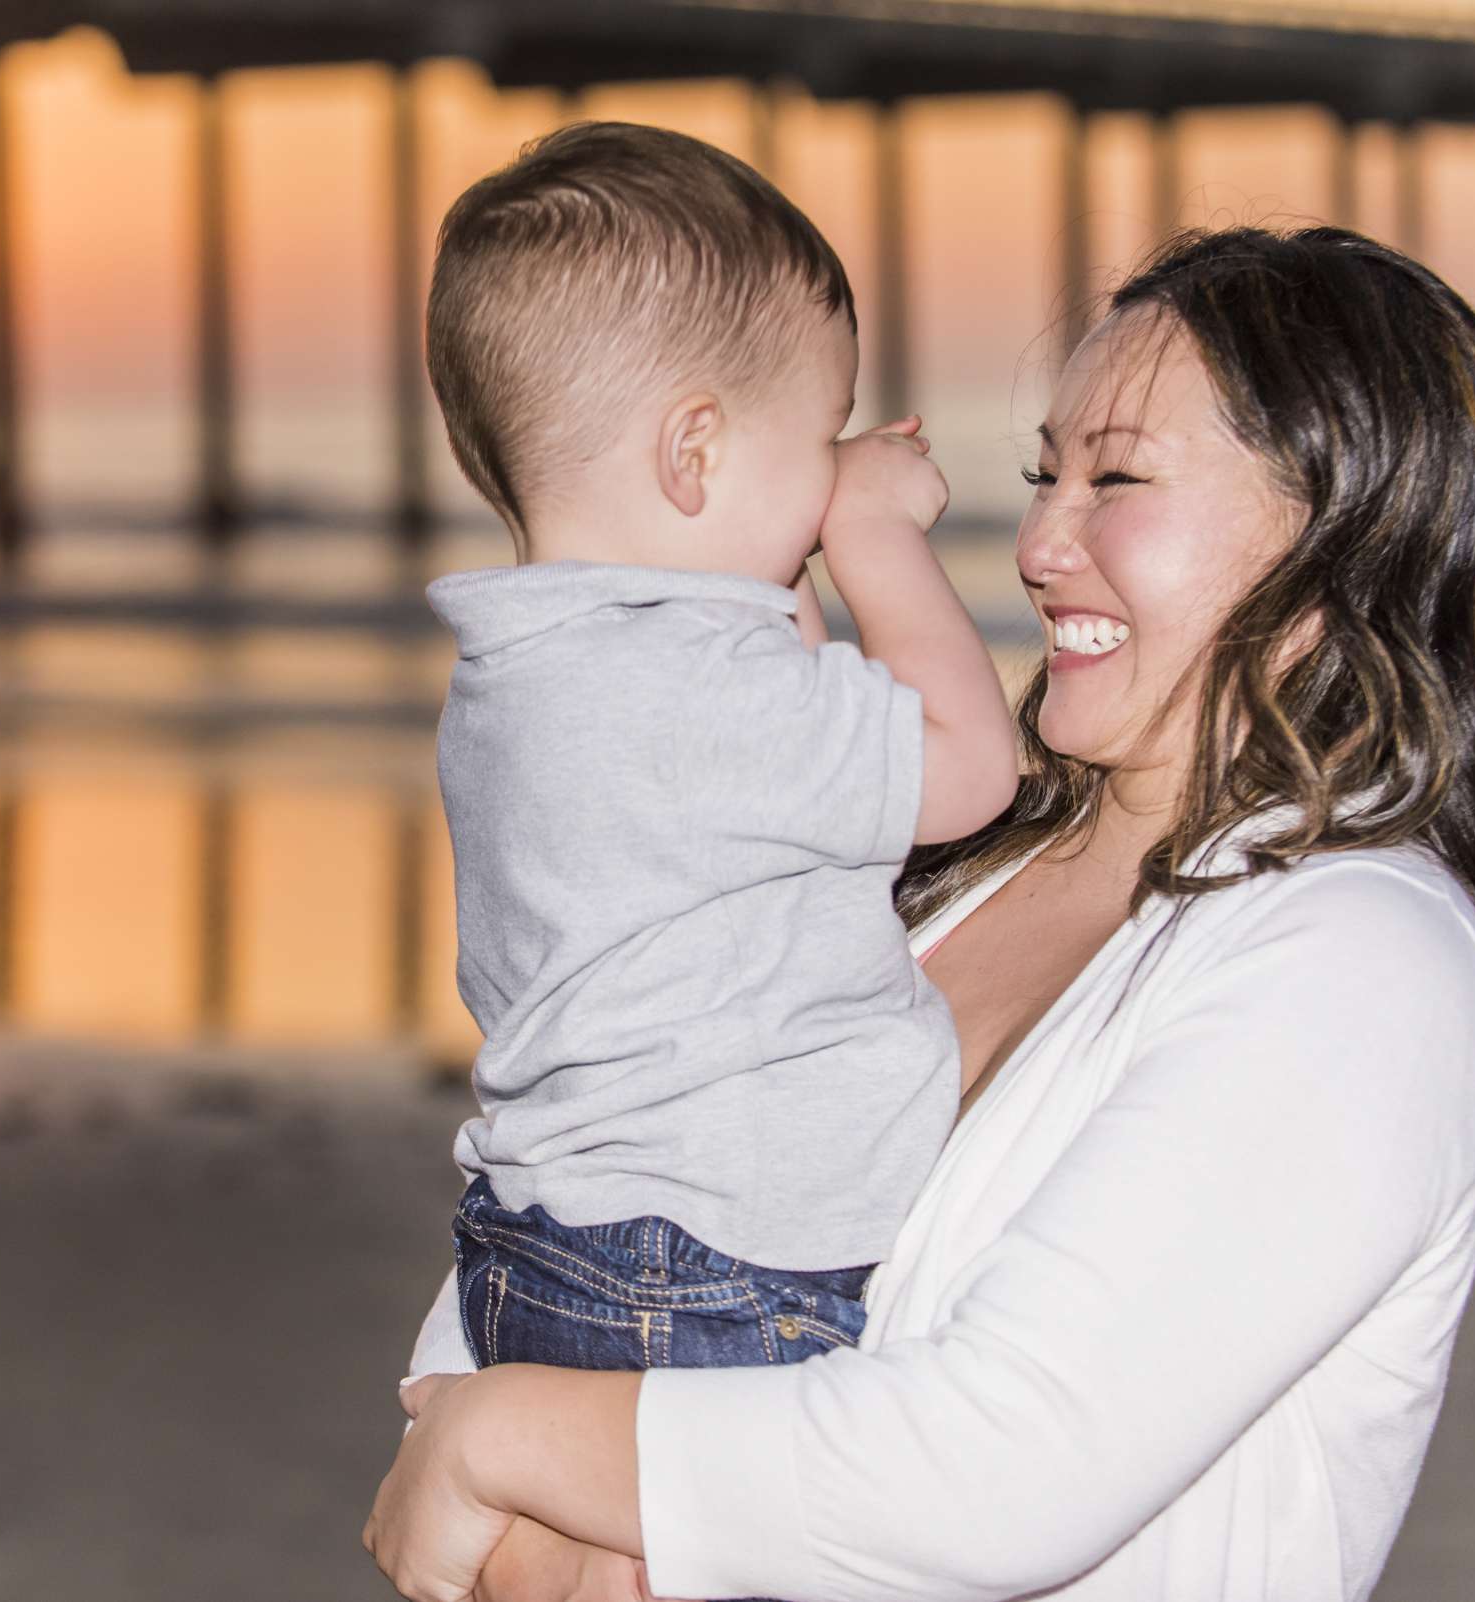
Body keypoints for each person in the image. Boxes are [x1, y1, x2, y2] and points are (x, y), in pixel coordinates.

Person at [370, 224, 1475, 1602]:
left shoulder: (1366, 956)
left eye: (1116, 477)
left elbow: (998, 1462)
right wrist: (500, 1445)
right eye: (1041, 474)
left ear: (1347, 531)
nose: (1036, 543)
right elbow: (592, 1175)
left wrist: (505, 1443)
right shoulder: (952, 872)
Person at [418, 119, 1016, 1385]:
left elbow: (782, 698)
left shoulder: (527, 681)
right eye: (823, 436)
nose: (834, 472)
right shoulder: (701, 694)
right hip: (721, 1266)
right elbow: (970, 772)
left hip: (538, 1254)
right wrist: (874, 539)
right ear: (695, 453)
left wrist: (798, 534)